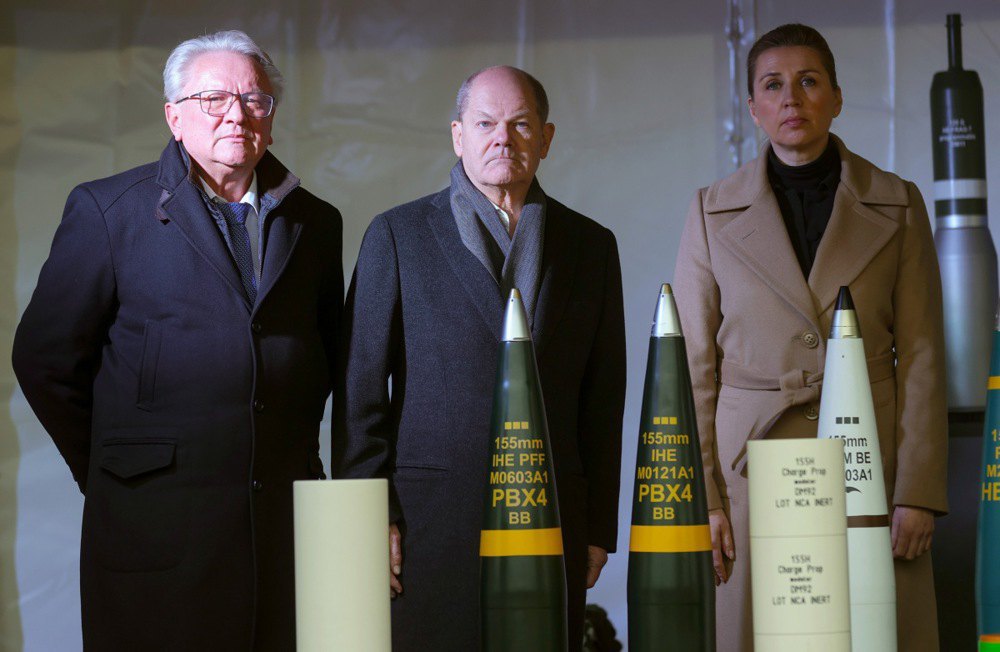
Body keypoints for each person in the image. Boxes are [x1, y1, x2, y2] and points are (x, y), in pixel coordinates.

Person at [11, 30, 343, 650]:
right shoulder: (110, 211)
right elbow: (44, 359)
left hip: (280, 526)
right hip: (153, 526)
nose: (236, 114)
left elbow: (324, 360)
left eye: (255, 100)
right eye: (213, 98)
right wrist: (117, 464)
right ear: (174, 115)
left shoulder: (316, 223)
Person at [673, 23, 946, 652]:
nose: (791, 97)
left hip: (867, 464)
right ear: (753, 108)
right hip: (750, 470)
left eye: (808, 81)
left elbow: (925, 354)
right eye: (773, 84)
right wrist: (706, 500)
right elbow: (692, 368)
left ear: (837, 97)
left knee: (870, 629)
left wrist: (918, 492)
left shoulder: (898, 204)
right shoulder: (710, 212)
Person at [336, 65, 626, 650]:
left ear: (545, 139)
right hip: (431, 522)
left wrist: (597, 526)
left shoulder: (591, 246)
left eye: (520, 124)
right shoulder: (398, 235)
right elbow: (359, 391)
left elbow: (603, 398)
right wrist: (369, 515)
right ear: (458, 135)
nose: (503, 138)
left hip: (551, 515)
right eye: (486, 123)